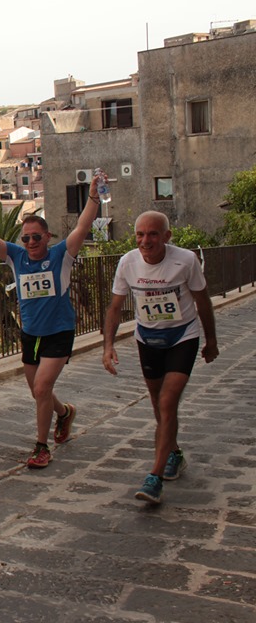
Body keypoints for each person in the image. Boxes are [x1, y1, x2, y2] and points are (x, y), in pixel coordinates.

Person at [0, 179, 101, 468]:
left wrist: (94, 198)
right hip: (30, 334)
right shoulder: (16, 257)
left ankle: (41, 447)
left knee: (41, 388)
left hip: (59, 331)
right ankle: (63, 413)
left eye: (36, 237)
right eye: (26, 238)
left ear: (47, 236)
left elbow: (82, 227)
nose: (31, 243)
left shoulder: (61, 255)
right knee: (38, 390)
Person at [102, 211, 218, 504]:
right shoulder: (128, 262)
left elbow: (203, 301)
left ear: (167, 236)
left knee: (168, 401)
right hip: (148, 338)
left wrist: (211, 340)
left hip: (182, 335)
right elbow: (115, 307)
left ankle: (154, 477)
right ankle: (174, 453)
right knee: (157, 402)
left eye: (153, 234)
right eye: (140, 234)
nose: (145, 241)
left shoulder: (186, 261)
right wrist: (108, 346)